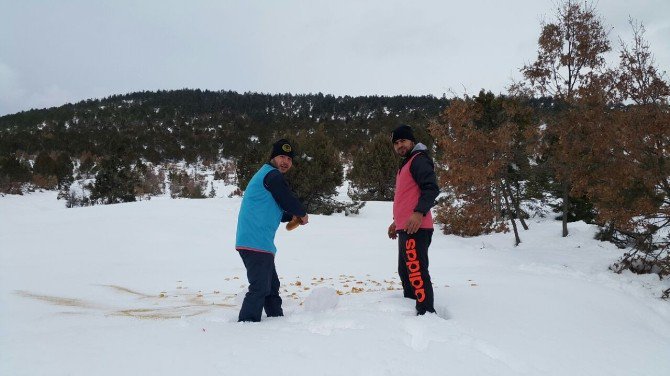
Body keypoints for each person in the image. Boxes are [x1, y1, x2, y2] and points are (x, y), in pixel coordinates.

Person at [235, 139, 308, 322]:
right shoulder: (272, 175)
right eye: (281, 156)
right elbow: (286, 198)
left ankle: (277, 320)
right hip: (254, 242)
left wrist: (289, 216)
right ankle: (246, 325)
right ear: (273, 157)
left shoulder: (267, 177)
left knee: (271, 287)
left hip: (260, 243)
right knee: (260, 287)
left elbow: (273, 208)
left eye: (289, 159)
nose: (285, 161)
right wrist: (301, 213)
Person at [387, 124, 439, 315]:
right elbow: (407, 197)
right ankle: (410, 305)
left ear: (412, 141)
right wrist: (396, 222)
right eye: (396, 143)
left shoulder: (419, 160)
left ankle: (426, 313)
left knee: (416, 271)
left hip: (418, 227)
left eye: (403, 141)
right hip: (406, 228)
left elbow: (431, 188)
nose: (400, 145)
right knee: (406, 271)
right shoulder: (406, 164)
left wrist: (418, 213)